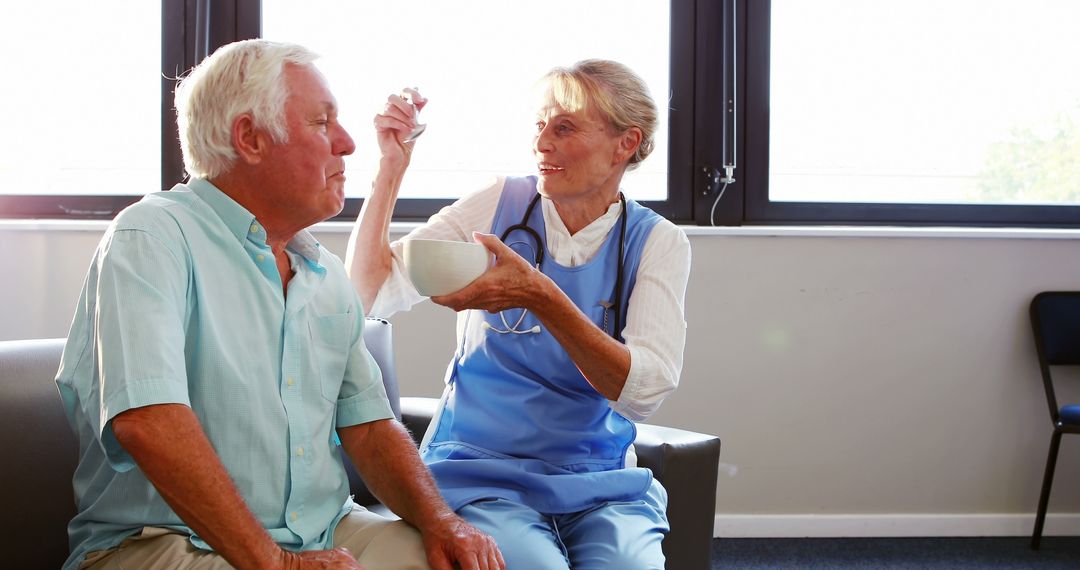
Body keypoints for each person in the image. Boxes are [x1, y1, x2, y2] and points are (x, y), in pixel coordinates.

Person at [55, 39, 503, 570]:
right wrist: (275, 563)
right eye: (322, 122)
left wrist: (441, 522)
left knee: (469, 564)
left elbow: (369, 426)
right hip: (160, 542)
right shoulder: (151, 236)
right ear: (250, 138)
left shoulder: (323, 272)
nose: (348, 143)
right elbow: (148, 420)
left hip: (322, 528)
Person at [346, 60, 691, 569]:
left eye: (564, 127)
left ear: (625, 143)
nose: (542, 142)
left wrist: (541, 297)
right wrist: (390, 168)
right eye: (540, 125)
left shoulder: (656, 241)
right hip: (478, 471)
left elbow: (643, 393)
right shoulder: (499, 205)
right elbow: (368, 293)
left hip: (599, 478)